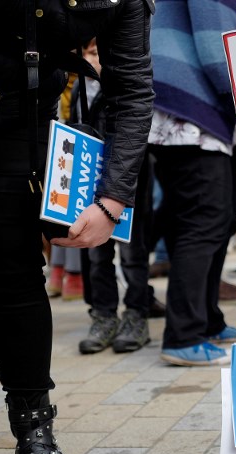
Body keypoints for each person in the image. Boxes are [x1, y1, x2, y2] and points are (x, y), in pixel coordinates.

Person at [0, 0, 154, 454]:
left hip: (23, 123)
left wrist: (112, 200)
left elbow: (130, 90)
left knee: (13, 276)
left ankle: (34, 436)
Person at [149, 0, 236, 367]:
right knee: (205, 221)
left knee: (218, 220)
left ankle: (207, 320)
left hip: (190, 110)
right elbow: (215, 48)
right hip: (191, 110)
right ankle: (183, 335)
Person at [72, 38, 157, 354]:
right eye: (88, 53)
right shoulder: (80, 91)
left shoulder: (124, 88)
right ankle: (104, 314)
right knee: (96, 254)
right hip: (90, 182)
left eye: (98, 53)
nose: (93, 60)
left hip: (129, 183)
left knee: (133, 252)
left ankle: (136, 313)